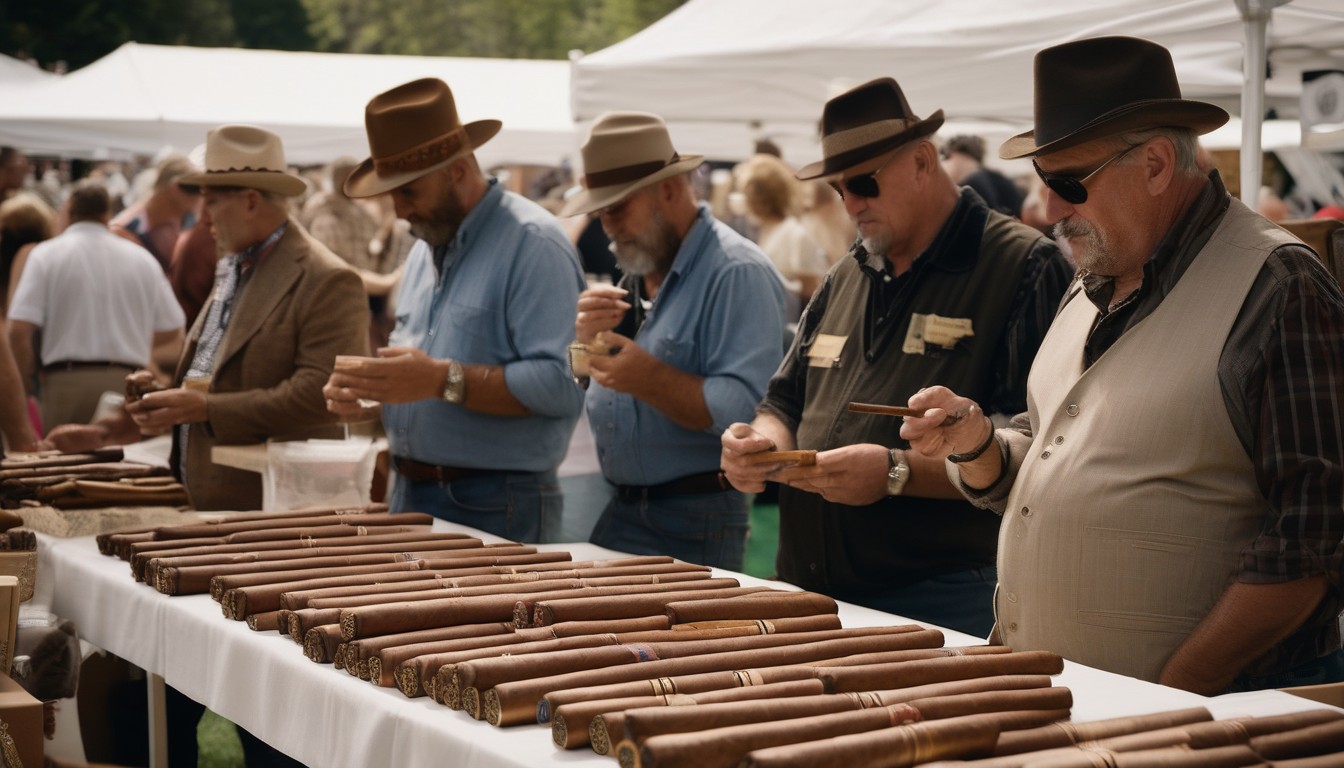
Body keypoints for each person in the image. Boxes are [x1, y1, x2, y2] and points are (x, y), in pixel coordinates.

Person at [901, 36, 1344, 693]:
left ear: (1158, 164)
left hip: (1214, 719)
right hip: (1078, 707)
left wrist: (1183, 684)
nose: (1048, 209)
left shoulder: (1277, 283)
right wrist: (978, 443)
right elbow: (1056, 451)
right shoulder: (1094, 275)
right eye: (1042, 183)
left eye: (1067, 182)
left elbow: (1316, 537)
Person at [720, 77, 1071, 637]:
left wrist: (895, 473)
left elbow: (1036, 449)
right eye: (839, 189)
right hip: (811, 591)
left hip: (935, 599)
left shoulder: (1024, 267)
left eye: (863, 182)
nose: (851, 202)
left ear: (923, 162)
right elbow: (784, 400)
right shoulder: (848, 269)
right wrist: (762, 447)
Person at [323, 77, 584, 543]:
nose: (398, 209)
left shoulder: (534, 243)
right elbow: (420, 367)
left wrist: (441, 379)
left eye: (408, 191)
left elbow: (562, 385)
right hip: (417, 493)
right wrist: (371, 393)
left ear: (458, 171)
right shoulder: (428, 244)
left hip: (496, 500)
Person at [563, 111, 787, 571]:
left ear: (667, 190)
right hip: (629, 508)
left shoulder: (736, 271)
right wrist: (583, 347)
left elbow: (748, 413)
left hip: (693, 517)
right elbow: (594, 380)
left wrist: (648, 378)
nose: (606, 224)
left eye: (617, 207)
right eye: (600, 210)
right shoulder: (645, 262)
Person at [124, 124, 369, 512]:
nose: (202, 218)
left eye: (211, 202)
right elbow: (218, 373)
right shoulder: (236, 262)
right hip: (213, 499)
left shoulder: (327, 278)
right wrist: (169, 400)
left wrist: (204, 408)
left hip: (272, 513)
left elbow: (319, 394)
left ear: (251, 201)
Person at [8, 182, 185, 429]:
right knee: (122, 461)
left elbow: (19, 330)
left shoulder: (46, 254)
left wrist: (26, 386)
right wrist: (131, 339)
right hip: (129, 379)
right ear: (106, 215)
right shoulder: (142, 259)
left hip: (65, 380)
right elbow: (173, 326)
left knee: (64, 462)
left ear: (68, 211)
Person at [734, 153, 830, 315]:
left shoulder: (794, 234)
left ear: (759, 198)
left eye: (747, 195)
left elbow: (814, 292)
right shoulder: (769, 231)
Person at [110, 155, 200, 271]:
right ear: (175, 188)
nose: (201, 196)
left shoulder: (185, 221)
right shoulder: (124, 228)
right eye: (195, 189)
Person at [941, 134, 1025, 218]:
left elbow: (989, 215)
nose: (945, 164)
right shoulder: (990, 176)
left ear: (957, 155)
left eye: (948, 158)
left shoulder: (975, 179)